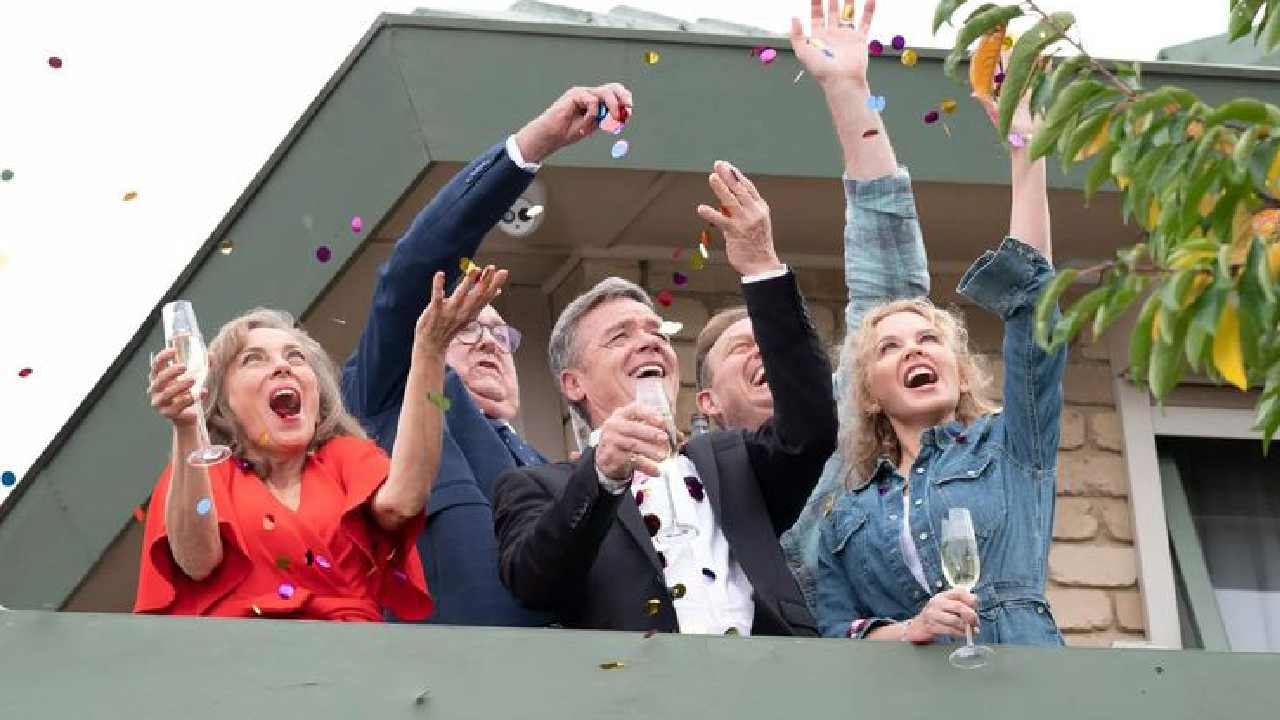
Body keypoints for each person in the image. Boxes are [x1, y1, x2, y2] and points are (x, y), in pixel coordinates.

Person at [493, 162, 836, 636]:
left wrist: (762, 268)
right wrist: (603, 475)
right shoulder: (537, 486)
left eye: (658, 333)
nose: (650, 343)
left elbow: (811, 428)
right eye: (620, 337)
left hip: (771, 670)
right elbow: (535, 584)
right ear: (574, 384)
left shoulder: (733, 461)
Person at [341, 84, 633, 626]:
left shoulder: (559, 472)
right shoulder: (392, 394)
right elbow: (414, 269)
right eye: (468, 327)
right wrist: (534, 145)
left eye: (501, 335)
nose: (488, 344)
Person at [693, 0, 931, 610]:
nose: (765, 352)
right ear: (707, 402)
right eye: (742, 348)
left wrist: (848, 91)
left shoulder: (850, 433)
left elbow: (891, 285)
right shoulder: (685, 485)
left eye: (771, 341)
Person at [813, 80, 1065, 645]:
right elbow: (837, 635)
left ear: (957, 370)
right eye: (890, 347)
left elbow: (1033, 306)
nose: (915, 350)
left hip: (1024, 677)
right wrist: (914, 628)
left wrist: (1028, 152)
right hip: (914, 689)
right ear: (869, 395)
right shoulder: (847, 515)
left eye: (929, 339)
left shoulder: (1011, 446)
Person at [135, 266, 505, 621]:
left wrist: (430, 350)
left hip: (349, 654)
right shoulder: (202, 474)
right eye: (253, 360)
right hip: (240, 657)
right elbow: (197, 561)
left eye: (295, 357)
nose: (283, 367)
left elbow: (404, 501)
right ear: (222, 399)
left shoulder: (343, 458)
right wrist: (187, 426)